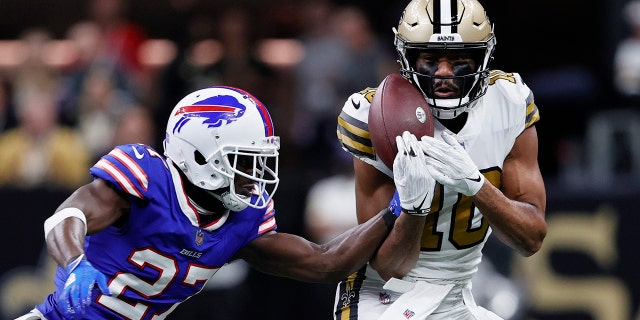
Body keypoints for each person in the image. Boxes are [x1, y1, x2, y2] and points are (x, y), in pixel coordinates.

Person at [17, 85, 435, 319]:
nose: (255, 177)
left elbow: (324, 262)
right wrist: (75, 264)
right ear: (199, 153)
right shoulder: (149, 177)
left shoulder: (241, 220)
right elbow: (66, 217)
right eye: (243, 162)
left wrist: (397, 208)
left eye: (259, 163)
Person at [335, 0, 547, 319]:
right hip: (382, 296)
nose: (444, 73)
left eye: (460, 59)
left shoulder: (508, 102)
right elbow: (389, 266)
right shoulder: (374, 116)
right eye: (430, 59)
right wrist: (415, 206)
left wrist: (476, 185)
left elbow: (531, 239)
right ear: (407, 59)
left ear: (482, 58)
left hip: (459, 293)